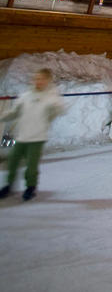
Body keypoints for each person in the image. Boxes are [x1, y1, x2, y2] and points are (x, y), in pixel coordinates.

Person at [1, 68, 66, 201]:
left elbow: (60, 110)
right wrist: (2, 116)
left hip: (37, 138)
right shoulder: (26, 96)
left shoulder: (51, 98)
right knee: (12, 161)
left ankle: (30, 187)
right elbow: (15, 112)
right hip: (22, 136)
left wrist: (56, 109)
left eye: (42, 79)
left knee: (31, 166)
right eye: (36, 78)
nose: (39, 81)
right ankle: (9, 185)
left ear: (48, 81)